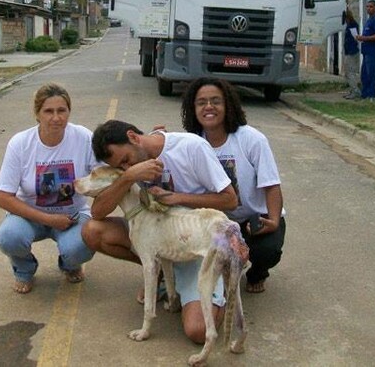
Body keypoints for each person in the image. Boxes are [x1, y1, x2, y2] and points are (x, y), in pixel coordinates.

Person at [82, 119, 238, 344]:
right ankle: (163, 275)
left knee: (197, 331)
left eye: (126, 160)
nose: (125, 166)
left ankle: (218, 285)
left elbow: (230, 199)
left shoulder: (191, 147)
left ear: (134, 137)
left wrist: (179, 198)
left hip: (195, 242)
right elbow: (97, 212)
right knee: (92, 230)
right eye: (120, 166)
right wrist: (128, 176)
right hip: (156, 236)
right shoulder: (127, 170)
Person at [181, 78, 286, 294]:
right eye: (201, 102)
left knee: (268, 251)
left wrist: (274, 220)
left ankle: (257, 273)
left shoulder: (252, 139)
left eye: (215, 101)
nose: (208, 107)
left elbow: (272, 185)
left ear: (228, 105)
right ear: (193, 109)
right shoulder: (190, 143)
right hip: (214, 221)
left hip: (254, 220)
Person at [0, 83, 98, 294]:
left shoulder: (84, 138)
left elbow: (101, 178)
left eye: (62, 110)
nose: (56, 117)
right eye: (48, 111)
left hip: (72, 217)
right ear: (37, 114)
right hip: (29, 216)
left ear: (69, 111)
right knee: (9, 237)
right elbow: (4, 197)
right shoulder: (20, 143)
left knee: (83, 244)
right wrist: (50, 220)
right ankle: (24, 269)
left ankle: (70, 264)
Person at [356, 0, 375, 101]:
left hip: (373, 52)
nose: (368, 8)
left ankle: (372, 96)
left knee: (372, 74)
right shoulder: (369, 20)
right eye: (367, 6)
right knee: (364, 75)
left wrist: (364, 38)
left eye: (371, 6)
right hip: (366, 51)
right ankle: (365, 95)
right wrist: (360, 37)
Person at [343, 9, 361, 100]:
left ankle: (355, 91)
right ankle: (352, 90)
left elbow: (355, 38)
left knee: (350, 72)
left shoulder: (353, 25)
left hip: (352, 52)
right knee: (347, 73)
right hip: (348, 52)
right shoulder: (349, 25)